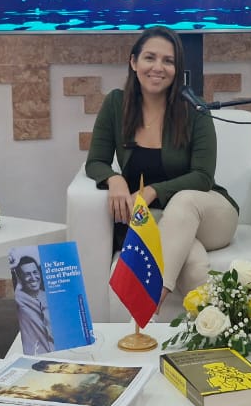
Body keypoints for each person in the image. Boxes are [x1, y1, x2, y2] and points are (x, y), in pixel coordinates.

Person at [85, 26, 239, 313]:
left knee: (184, 200)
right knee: (191, 259)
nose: (158, 67)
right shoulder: (116, 104)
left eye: (168, 61)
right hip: (158, 220)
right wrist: (114, 179)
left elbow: (203, 177)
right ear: (134, 62)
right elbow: (95, 161)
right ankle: (212, 327)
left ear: (176, 70)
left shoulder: (194, 109)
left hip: (210, 215)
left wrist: (153, 191)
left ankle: (149, 301)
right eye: (150, 58)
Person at [11, 253, 53, 353]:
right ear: (20, 277)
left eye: (35, 272)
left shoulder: (50, 297)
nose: (33, 277)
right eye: (27, 274)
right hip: (34, 351)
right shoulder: (20, 299)